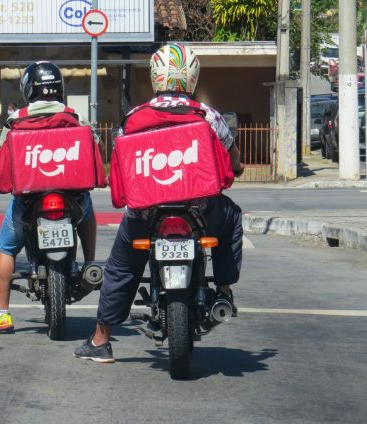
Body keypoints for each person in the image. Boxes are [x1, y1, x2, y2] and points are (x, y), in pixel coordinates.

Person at [74, 43, 245, 363]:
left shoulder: (133, 117)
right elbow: (233, 161)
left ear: (155, 77)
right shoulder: (208, 115)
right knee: (232, 217)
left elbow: (121, 164)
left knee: (121, 268)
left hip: (147, 212)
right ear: (191, 78)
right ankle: (223, 292)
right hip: (200, 210)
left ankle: (100, 341)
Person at [0, 61, 99, 333]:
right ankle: (90, 264)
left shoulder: (16, 120)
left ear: (27, 88)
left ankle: (2, 314)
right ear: (59, 87)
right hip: (72, 198)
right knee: (88, 212)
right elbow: (94, 144)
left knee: (7, 248)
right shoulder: (73, 116)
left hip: (28, 201)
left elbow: (0, 153)